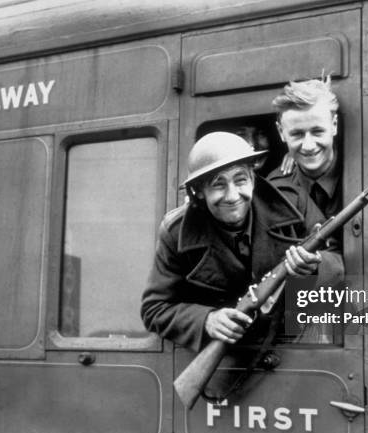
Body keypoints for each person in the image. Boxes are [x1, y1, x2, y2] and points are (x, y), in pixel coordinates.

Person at [141, 131, 343, 351]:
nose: (232, 195)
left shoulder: (292, 202)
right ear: (199, 191)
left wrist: (314, 265)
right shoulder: (176, 232)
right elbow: (154, 309)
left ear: (253, 179)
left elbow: (338, 259)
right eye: (218, 184)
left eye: (240, 180)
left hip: (293, 347)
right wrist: (207, 320)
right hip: (229, 360)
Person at [268, 78, 342, 220]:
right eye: (297, 134)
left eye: (317, 131)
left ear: (334, 125)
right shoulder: (274, 189)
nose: (308, 146)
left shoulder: (363, 173)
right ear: (281, 132)